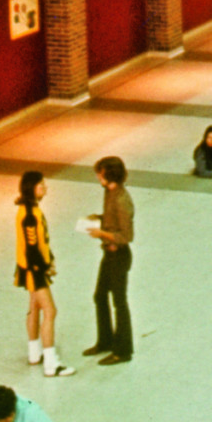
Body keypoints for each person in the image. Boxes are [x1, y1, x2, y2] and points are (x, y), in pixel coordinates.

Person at [14, 170, 72, 377]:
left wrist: (50, 259)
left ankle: (34, 352)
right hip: (35, 271)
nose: (45, 188)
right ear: (32, 188)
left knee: (34, 308)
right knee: (50, 311)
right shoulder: (31, 214)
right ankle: (51, 362)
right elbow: (32, 248)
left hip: (30, 269)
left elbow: (40, 241)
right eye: (41, 185)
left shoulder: (28, 210)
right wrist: (45, 267)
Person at [82, 155, 135, 365]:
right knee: (100, 295)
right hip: (109, 254)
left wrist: (101, 234)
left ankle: (123, 351)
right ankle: (106, 340)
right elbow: (112, 221)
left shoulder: (122, 200)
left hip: (118, 256)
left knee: (119, 303)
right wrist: (100, 219)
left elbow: (126, 236)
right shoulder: (109, 192)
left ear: (109, 174)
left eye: (100, 172)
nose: (98, 176)